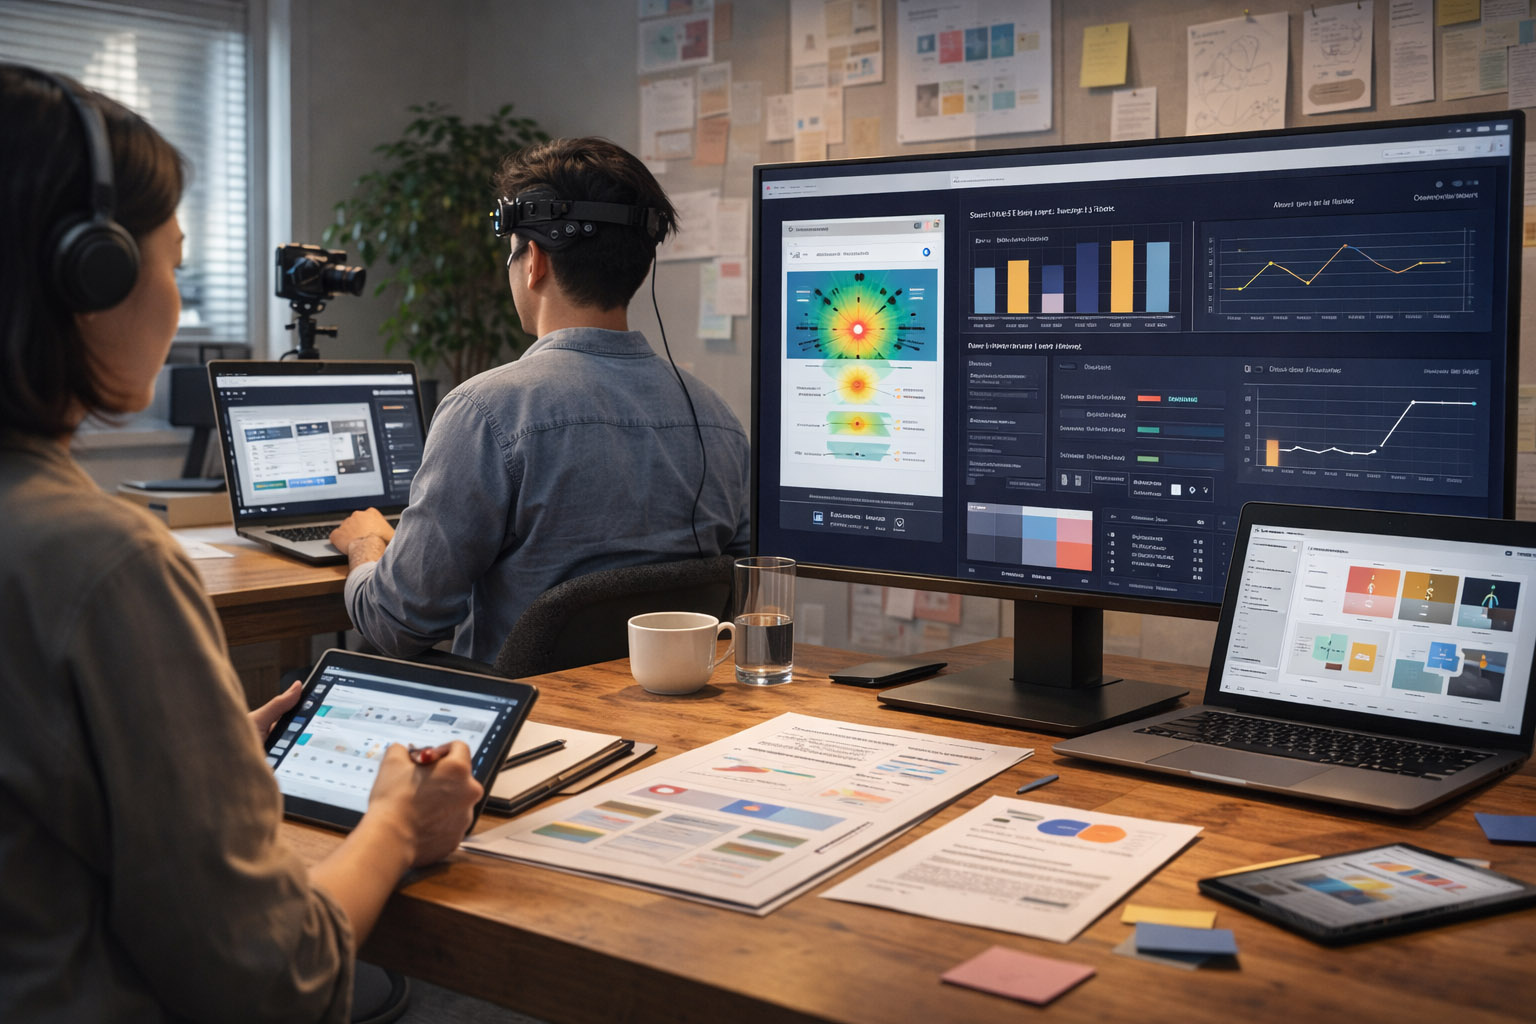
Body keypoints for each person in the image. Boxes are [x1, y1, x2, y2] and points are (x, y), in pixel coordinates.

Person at [0, 65, 482, 1022]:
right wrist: (394, 823)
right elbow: (272, 982)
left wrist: (201, 755)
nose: (177, 298)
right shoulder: (107, 563)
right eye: (173, 262)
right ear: (87, 273)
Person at [331, 137, 751, 663]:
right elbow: (743, 594)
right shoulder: (719, 421)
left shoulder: (485, 413)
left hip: (524, 727)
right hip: (660, 727)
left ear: (534, 261)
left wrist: (367, 546)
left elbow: (397, 625)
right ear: (641, 266)